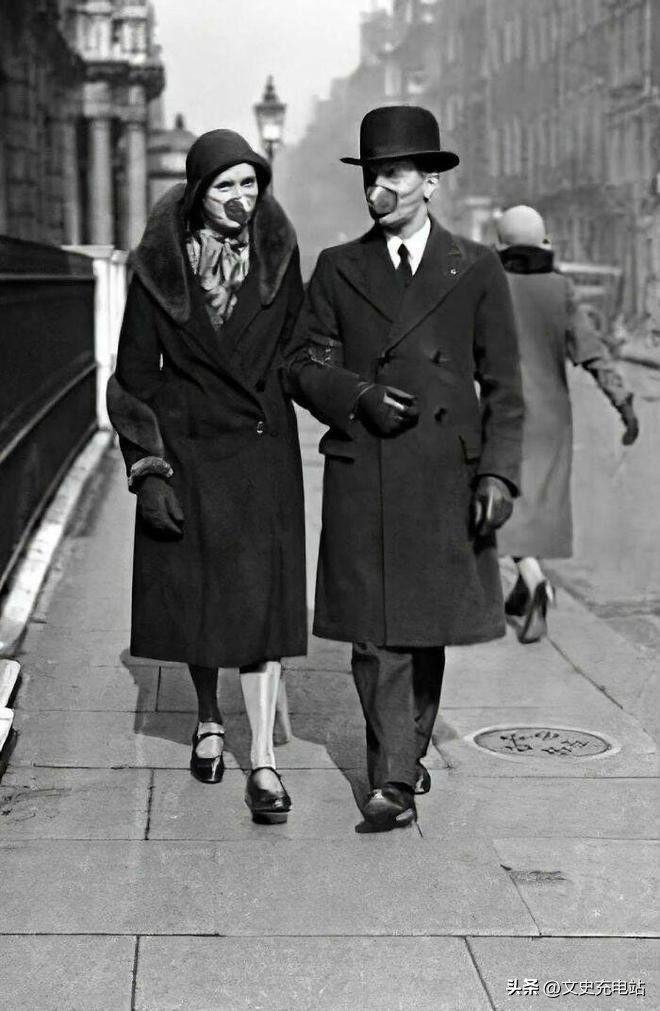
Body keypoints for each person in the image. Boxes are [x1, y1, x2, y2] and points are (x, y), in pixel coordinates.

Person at [286, 106, 524, 831]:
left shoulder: (475, 267)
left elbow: (506, 385)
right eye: (370, 176)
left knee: (424, 627)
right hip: (365, 466)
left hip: (445, 475)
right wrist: (357, 394)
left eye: (392, 174)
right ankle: (391, 774)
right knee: (375, 630)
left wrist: (498, 474)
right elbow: (301, 364)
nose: (378, 190)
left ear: (430, 182)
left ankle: (407, 747)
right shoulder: (337, 268)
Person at [107, 129, 307, 824]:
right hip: (189, 450)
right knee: (201, 595)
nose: (240, 197)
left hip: (262, 448)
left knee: (260, 603)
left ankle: (264, 760)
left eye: (250, 182)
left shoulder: (280, 256)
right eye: (225, 185)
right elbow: (133, 377)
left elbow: (300, 352)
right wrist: (148, 468)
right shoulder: (159, 268)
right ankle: (207, 716)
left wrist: (350, 401)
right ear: (199, 193)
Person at [495, 205, 640, 644]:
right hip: (553, 419)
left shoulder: (489, 286)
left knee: (501, 506)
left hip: (502, 414)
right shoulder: (562, 289)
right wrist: (623, 403)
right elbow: (593, 352)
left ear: (500, 245)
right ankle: (523, 592)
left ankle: (535, 582)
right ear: (544, 243)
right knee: (536, 508)